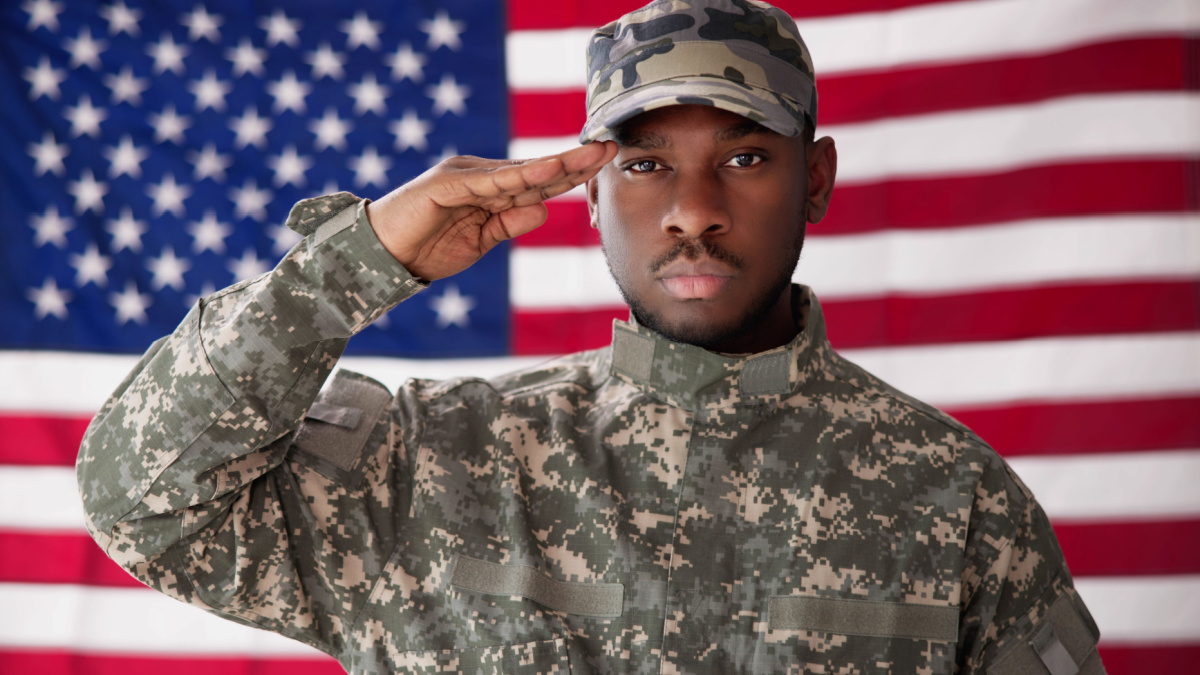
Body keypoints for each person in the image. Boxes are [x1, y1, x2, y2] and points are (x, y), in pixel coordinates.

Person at [77, 1, 1106, 673]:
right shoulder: (428, 465)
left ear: (818, 178)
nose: (692, 210)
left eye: (744, 160)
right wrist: (354, 265)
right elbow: (147, 501)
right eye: (646, 164)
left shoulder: (953, 499)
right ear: (592, 190)